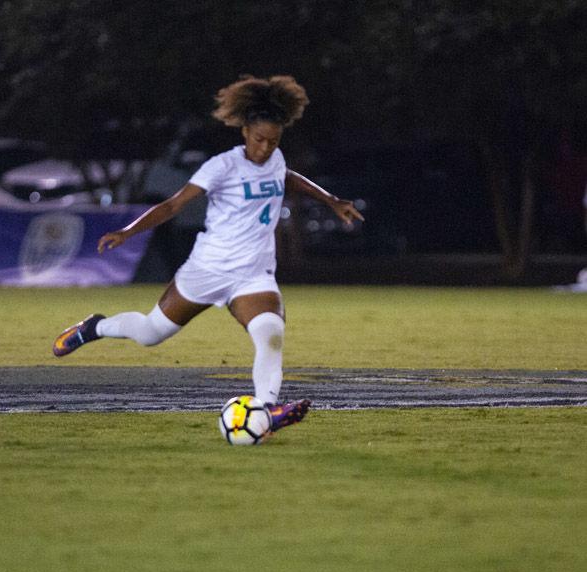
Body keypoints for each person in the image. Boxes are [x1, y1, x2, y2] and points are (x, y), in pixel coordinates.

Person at [52, 75, 364, 433]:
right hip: (208, 269)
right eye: (260, 139)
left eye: (273, 141)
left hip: (252, 276)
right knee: (151, 332)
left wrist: (330, 200)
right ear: (245, 131)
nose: (265, 148)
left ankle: (266, 409)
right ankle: (95, 327)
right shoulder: (222, 167)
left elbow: (287, 176)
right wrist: (128, 230)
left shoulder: (275, 158)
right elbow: (173, 205)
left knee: (271, 334)